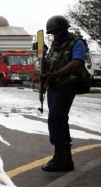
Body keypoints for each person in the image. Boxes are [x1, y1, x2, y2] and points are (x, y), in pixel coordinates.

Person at [41, 15, 88, 172]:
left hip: (68, 85)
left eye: (57, 31)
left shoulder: (77, 42)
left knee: (56, 119)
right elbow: (49, 61)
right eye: (53, 32)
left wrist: (56, 74)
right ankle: (64, 159)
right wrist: (43, 70)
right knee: (58, 121)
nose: (55, 34)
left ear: (64, 29)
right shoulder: (54, 44)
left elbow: (77, 62)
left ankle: (61, 160)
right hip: (54, 86)